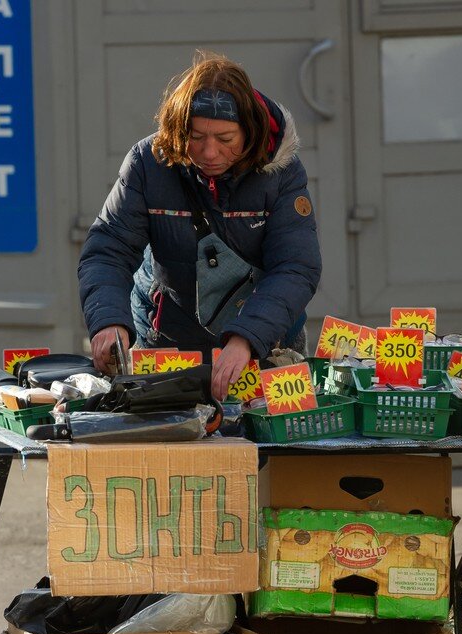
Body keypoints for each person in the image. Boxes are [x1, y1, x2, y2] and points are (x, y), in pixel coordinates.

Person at [78, 52, 322, 400]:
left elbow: (297, 267)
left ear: (250, 132)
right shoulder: (146, 163)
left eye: (225, 139)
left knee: (260, 447)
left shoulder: (282, 173)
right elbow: (107, 251)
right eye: (196, 136)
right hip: (167, 341)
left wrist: (247, 339)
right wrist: (107, 321)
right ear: (178, 129)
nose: (209, 152)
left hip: (267, 341)